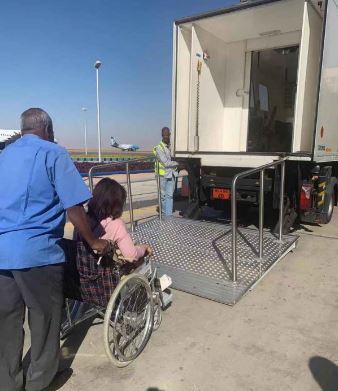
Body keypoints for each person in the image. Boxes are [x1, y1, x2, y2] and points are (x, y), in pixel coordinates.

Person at [0, 108, 108, 391]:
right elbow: (73, 205)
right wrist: (93, 241)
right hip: (37, 254)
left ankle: (8, 383)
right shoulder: (53, 153)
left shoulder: (4, 155)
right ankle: (40, 383)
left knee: (7, 322)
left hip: (1, 254)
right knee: (45, 320)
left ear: (22, 129)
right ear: (47, 129)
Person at [74, 178, 153, 307]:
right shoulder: (116, 224)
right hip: (104, 285)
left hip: (82, 280)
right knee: (140, 257)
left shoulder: (82, 223)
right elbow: (131, 255)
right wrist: (143, 248)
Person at [153, 127, 178, 216]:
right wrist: (178, 164)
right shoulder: (159, 148)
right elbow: (166, 163)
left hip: (171, 174)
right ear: (162, 135)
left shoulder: (171, 146)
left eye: (168, 134)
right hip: (162, 176)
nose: (166, 136)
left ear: (170, 135)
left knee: (170, 196)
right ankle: (164, 214)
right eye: (165, 135)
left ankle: (168, 216)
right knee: (163, 196)